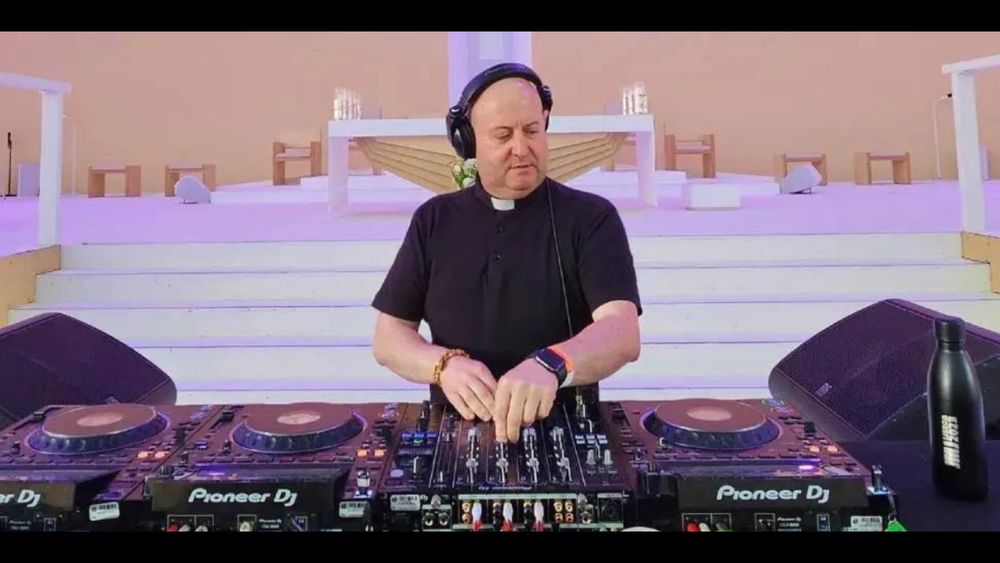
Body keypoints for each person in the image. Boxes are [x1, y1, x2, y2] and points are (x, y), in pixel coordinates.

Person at [371, 63, 642, 443]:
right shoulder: (434, 220)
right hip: (456, 430)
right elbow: (389, 338)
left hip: (565, 429)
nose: (522, 148)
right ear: (469, 142)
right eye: (503, 135)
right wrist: (442, 366)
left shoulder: (592, 218)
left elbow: (622, 331)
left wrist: (553, 364)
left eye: (532, 130)